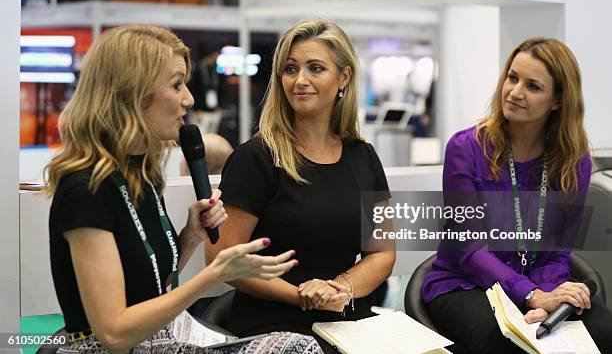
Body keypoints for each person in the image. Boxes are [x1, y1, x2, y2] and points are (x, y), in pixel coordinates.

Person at [44, 25, 322, 353]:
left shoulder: (139, 174)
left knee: (296, 346)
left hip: (157, 341)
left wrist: (190, 236)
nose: (189, 98)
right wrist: (212, 275)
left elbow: (147, 287)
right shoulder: (85, 190)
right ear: (131, 93)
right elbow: (115, 333)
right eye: (177, 85)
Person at [206, 18, 396, 353]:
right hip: (272, 325)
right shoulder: (257, 158)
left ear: (344, 77)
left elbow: (382, 253)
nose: (300, 80)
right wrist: (300, 296)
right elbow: (221, 257)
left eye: (315, 68)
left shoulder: (363, 157)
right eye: (290, 69)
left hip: (346, 320)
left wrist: (338, 288)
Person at [421, 37, 612, 353]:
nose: (514, 92)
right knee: (509, 342)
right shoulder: (465, 149)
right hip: (466, 284)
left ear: (558, 100)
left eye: (533, 86)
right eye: (512, 77)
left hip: (539, 288)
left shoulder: (574, 161)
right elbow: (470, 250)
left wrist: (545, 299)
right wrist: (531, 295)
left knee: (603, 331)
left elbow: (557, 253)